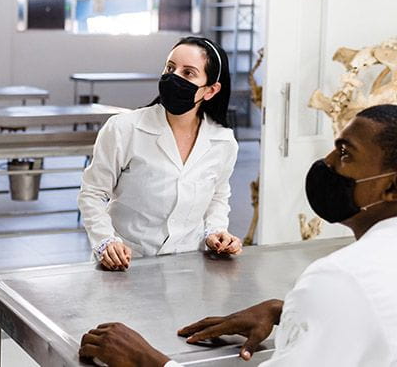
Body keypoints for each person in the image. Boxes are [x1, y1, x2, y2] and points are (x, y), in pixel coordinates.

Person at [79, 104, 397, 367]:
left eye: (344, 153)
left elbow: (218, 196)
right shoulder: (124, 129)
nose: (325, 163)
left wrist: (146, 360)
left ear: (391, 187)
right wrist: (283, 311)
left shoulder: (340, 278)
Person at [78, 37, 243, 271]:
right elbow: (93, 193)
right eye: (170, 67)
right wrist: (106, 241)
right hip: (126, 263)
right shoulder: (124, 129)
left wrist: (216, 231)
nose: (174, 77)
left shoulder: (223, 141)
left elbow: (217, 196)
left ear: (210, 90)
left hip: (188, 266)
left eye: (188, 73)